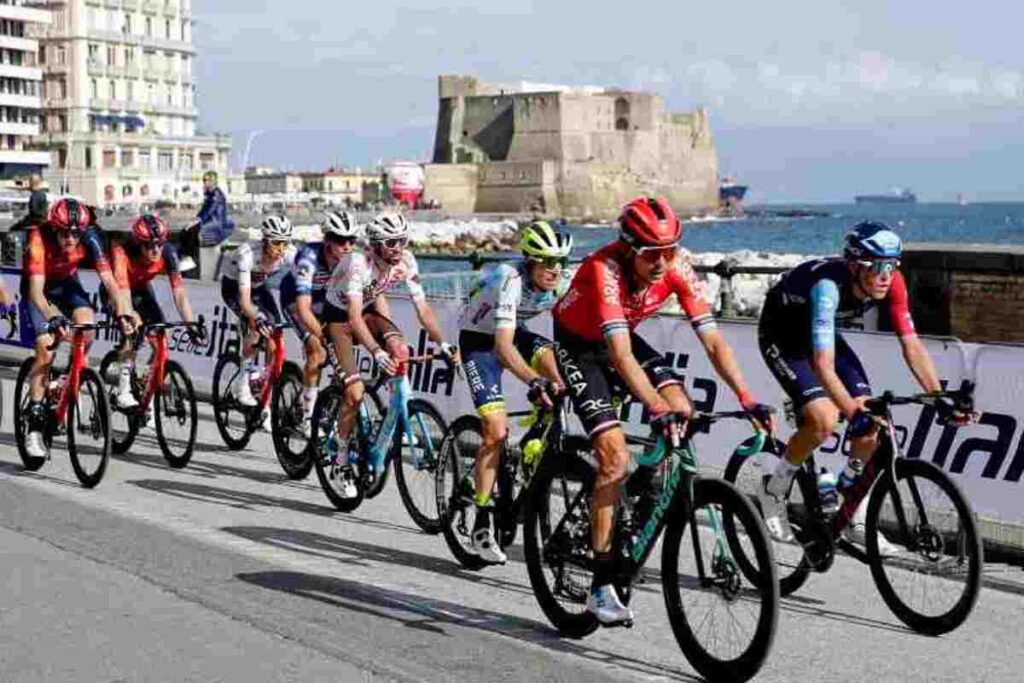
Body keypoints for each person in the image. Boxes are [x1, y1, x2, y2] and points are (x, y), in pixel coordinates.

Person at [552, 196, 773, 625]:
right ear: (629, 248)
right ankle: (600, 585)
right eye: (652, 253)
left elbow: (713, 342)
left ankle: (646, 485)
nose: (661, 262)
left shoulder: (675, 266)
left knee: (683, 410)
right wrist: (653, 406)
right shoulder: (605, 270)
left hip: (623, 342)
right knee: (614, 457)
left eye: (669, 251)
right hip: (580, 348)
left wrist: (745, 397)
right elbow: (618, 355)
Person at [756, 220, 972, 553]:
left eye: (893, 265)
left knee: (872, 425)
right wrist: (850, 410)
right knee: (825, 419)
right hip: (782, 336)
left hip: (820, 334)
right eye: (878, 266)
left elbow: (912, 345)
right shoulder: (827, 286)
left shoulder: (892, 283)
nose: (887, 275)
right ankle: (774, 487)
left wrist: (939, 397)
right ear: (856, 266)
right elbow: (823, 365)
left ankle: (850, 508)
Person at [457, 220, 572, 564]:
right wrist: (533, 382)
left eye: (561, 262)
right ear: (530, 260)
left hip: (513, 330)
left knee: (558, 367)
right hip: (479, 340)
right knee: (495, 430)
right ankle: (481, 521)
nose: (554, 270)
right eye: (546, 262)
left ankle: (535, 440)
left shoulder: (560, 282)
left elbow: (571, 335)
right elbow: (503, 349)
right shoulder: (510, 279)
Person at [321, 211, 457, 496]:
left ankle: (393, 404)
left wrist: (442, 343)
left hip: (366, 314)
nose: (398, 248)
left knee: (400, 348)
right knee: (355, 393)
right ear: (375, 245)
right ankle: (341, 460)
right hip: (339, 321)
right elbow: (354, 318)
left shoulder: (405, 261)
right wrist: (374, 351)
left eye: (402, 241)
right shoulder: (358, 263)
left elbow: (423, 309)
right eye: (390, 243)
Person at [21, 198, 134, 459]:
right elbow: (37, 294)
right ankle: (35, 428)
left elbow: (110, 281)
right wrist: (54, 318)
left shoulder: (91, 237)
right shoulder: (38, 239)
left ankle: (67, 380)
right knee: (46, 350)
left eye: (76, 233)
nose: (71, 238)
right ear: (55, 227)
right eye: (65, 233)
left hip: (67, 283)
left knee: (89, 325)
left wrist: (123, 311)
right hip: (40, 288)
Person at [106, 214, 202, 413]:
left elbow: (179, 293)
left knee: (162, 336)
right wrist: (129, 316)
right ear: (139, 244)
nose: (155, 250)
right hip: (117, 290)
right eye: (149, 246)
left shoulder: (168, 253)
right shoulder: (122, 253)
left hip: (140, 289)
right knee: (133, 331)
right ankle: (123, 390)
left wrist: (190, 324)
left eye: (159, 244)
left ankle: (145, 384)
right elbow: (122, 292)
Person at [280, 210, 359, 437]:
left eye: (351, 240)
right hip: (296, 300)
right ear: (327, 240)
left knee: (343, 352)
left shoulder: (352, 261)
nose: (347, 246)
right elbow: (304, 310)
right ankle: (307, 418)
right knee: (317, 350)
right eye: (340, 240)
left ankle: (330, 401)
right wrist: (323, 336)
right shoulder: (308, 258)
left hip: (324, 302)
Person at [219, 215, 297, 430]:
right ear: (264, 241)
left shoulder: (290, 254)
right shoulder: (247, 254)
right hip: (234, 288)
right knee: (255, 330)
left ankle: (264, 393)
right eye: (276, 242)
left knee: (275, 336)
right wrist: (256, 317)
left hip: (258, 287)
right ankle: (242, 383)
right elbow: (244, 301)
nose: (281, 248)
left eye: (285, 242)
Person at [179, 170, 234, 272]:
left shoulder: (216, 195)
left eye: (207, 180)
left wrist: (199, 220)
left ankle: (191, 258)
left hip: (216, 223)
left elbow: (210, 210)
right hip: (208, 221)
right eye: (204, 180)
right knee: (184, 231)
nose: (205, 183)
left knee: (192, 231)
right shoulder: (209, 194)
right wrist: (196, 218)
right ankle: (185, 256)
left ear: (213, 181)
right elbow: (204, 210)